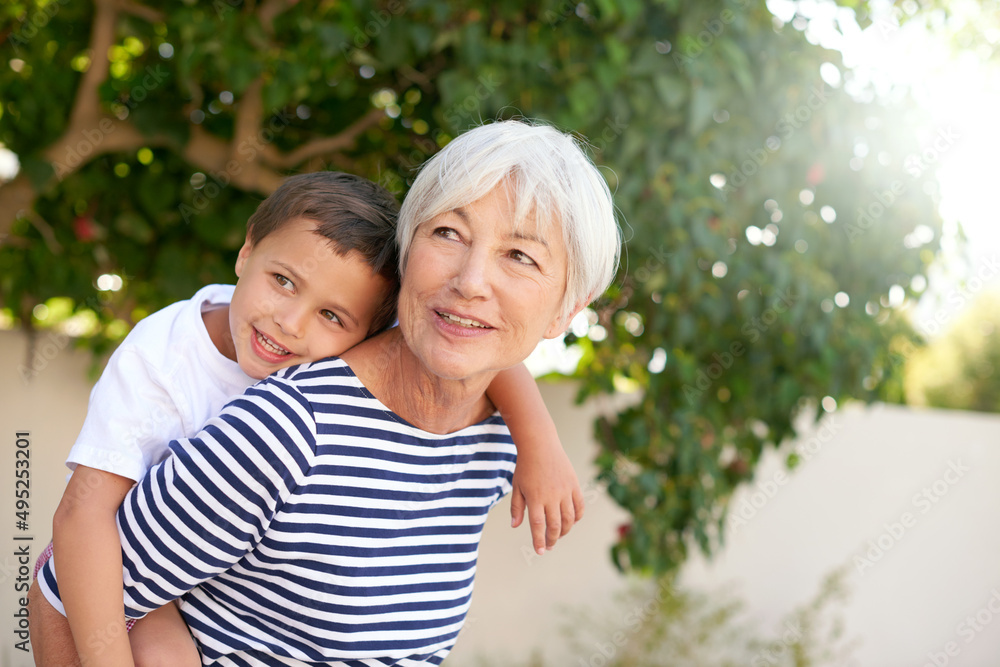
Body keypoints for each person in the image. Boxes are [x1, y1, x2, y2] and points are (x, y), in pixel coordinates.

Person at [28, 169, 585, 666]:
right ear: (246, 252)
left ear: (369, 332)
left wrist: (540, 444)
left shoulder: (416, 377)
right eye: (284, 281)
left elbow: (481, 353)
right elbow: (81, 520)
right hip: (123, 559)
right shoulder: (166, 358)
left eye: (331, 315)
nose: (291, 324)